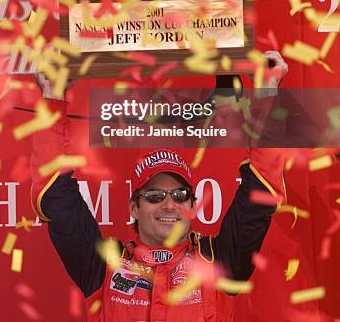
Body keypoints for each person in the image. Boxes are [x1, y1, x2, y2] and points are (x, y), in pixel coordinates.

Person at [31, 52, 289, 321]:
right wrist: (53, 95)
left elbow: (261, 187)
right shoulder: (103, 265)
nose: (169, 204)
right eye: (154, 196)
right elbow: (55, 195)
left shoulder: (220, 262)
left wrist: (267, 90)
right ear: (134, 206)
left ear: (192, 205)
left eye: (180, 195)